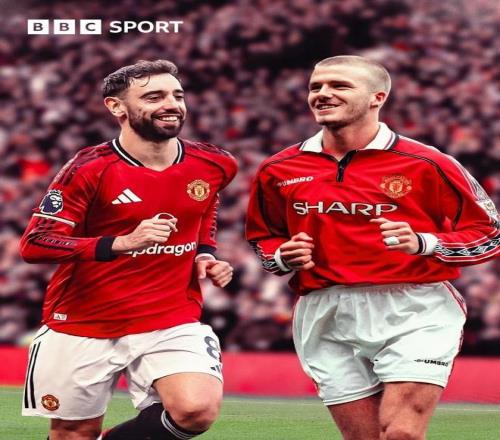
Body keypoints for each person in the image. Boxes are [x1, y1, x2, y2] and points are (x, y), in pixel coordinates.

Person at [246, 55, 500, 440]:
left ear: (376, 97)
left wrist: (425, 242)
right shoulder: (278, 168)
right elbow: (263, 237)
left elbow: (490, 233)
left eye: (339, 85)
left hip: (414, 307)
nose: (322, 94)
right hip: (324, 311)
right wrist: (282, 255)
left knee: (401, 433)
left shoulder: (428, 162)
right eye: (316, 87)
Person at [20, 59, 237, 440]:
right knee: (73, 432)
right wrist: (122, 243)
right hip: (84, 320)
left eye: (177, 95)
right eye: (154, 97)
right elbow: (36, 243)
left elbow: (206, 205)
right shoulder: (88, 168)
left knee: (195, 410)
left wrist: (205, 250)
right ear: (116, 107)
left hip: (171, 315)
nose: (171, 104)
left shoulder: (215, 163)